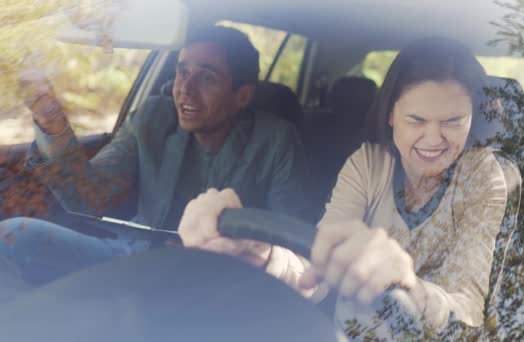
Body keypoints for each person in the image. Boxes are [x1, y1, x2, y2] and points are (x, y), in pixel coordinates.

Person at [176, 37, 510, 340]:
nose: (434, 139)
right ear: (391, 115)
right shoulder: (368, 164)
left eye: (453, 122)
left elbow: (468, 313)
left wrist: (410, 289)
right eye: (417, 121)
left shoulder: (483, 177)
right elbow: (315, 270)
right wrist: (263, 254)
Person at [0, 25, 311, 296]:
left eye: (207, 77)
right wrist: (48, 113)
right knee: (11, 236)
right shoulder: (153, 116)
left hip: (216, 282)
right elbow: (89, 194)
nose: (185, 90)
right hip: (132, 257)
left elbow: (291, 242)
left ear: (241, 96)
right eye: (182, 71)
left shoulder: (276, 141)